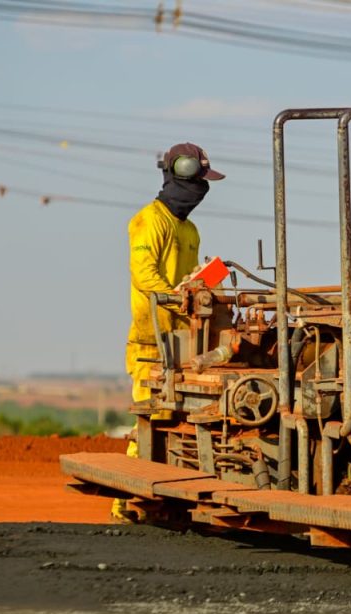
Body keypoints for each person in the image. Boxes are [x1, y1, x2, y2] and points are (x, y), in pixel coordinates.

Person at [114, 142, 225, 522]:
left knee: (178, 421)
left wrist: (205, 285)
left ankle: (165, 502)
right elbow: (145, 276)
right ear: (178, 175)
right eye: (199, 183)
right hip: (152, 340)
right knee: (150, 419)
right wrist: (182, 299)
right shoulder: (149, 220)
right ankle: (125, 501)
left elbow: (185, 283)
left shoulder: (189, 228)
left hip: (184, 342)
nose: (201, 192)